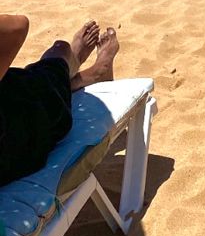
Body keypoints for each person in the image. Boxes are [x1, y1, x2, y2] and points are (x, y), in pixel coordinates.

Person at [0, 14, 119, 187]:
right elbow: (17, 27)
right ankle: (86, 70)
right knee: (59, 51)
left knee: (42, 73)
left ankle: (70, 73)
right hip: (24, 129)